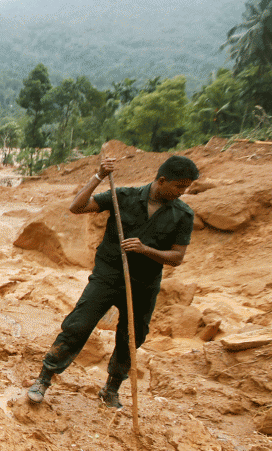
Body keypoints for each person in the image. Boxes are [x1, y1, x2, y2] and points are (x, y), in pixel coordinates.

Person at [27, 155, 199, 408]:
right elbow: (77, 207)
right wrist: (98, 176)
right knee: (79, 324)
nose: (182, 192)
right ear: (162, 180)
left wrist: (146, 250)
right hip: (108, 276)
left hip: (144, 284)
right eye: (178, 186)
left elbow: (177, 257)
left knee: (132, 337)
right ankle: (44, 379)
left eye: (185, 188)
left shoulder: (183, 214)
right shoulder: (124, 196)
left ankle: (111, 389)